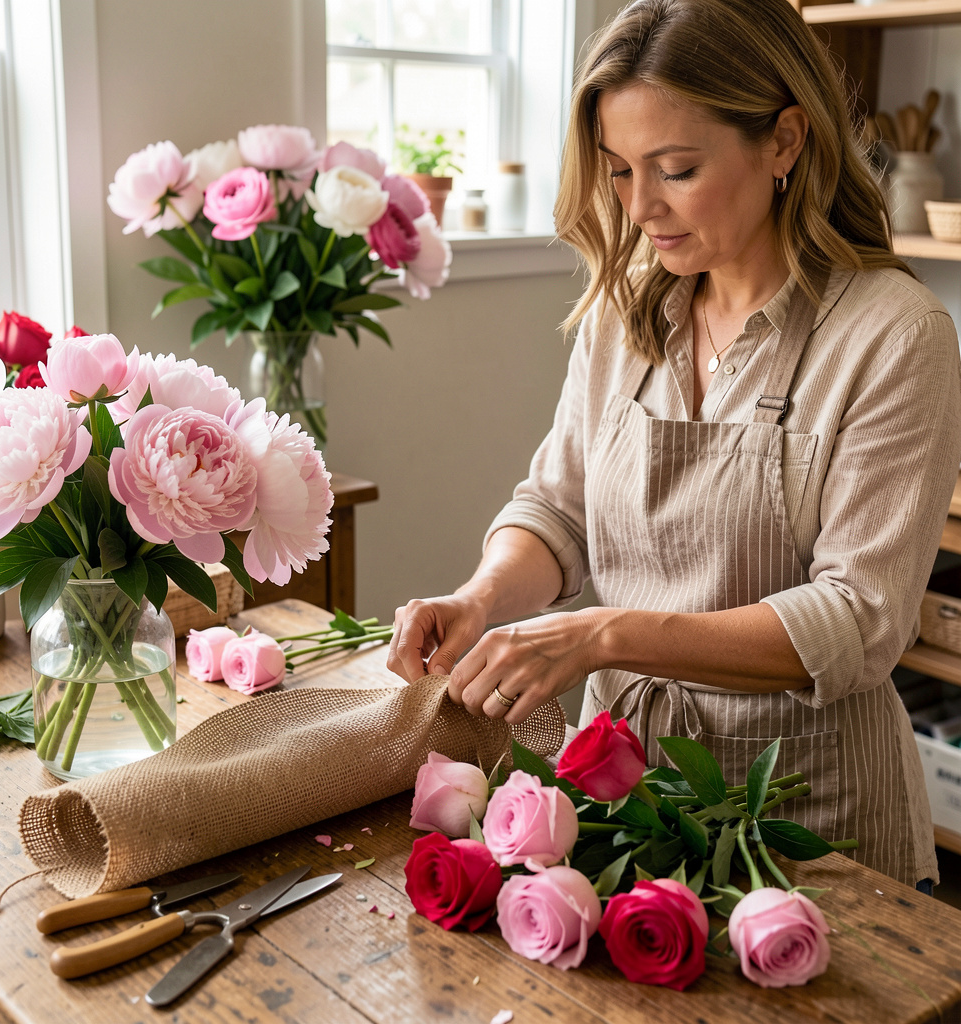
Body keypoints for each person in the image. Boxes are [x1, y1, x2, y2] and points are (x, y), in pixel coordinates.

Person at [386, 0, 961, 889]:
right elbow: (558, 507)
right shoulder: (628, 311)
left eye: (677, 169)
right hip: (623, 795)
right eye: (619, 172)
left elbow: (859, 620)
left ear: (784, 143)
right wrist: (482, 597)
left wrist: (603, 635)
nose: (641, 207)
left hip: (810, 821)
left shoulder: (895, 334)